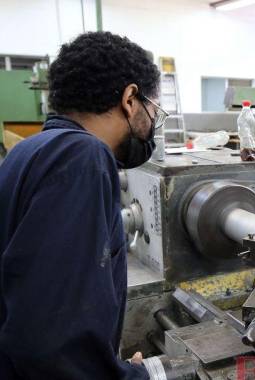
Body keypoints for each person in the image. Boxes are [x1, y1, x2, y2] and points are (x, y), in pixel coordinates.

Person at [0, 31, 167, 379]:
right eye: (153, 111)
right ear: (130, 99)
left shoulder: (30, 151)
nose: (152, 126)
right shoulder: (82, 157)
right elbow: (54, 343)